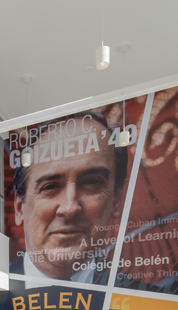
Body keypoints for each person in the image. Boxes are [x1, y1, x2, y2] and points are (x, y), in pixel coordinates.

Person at [10, 110, 127, 284]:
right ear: (20, 208)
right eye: (50, 187)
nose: (70, 207)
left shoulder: (149, 302)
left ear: (116, 201)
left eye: (91, 183)